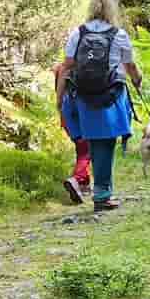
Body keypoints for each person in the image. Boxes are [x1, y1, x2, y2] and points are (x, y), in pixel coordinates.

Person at [57, 0, 142, 212]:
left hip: (84, 94)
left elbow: (67, 65)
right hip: (110, 94)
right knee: (107, 142)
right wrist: (137, 80)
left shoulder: (79, 33)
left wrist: (60, 98)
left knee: (94, 141)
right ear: (112, 9)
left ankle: (101, 191)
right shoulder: (119, 34)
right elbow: (130, 65)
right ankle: (102, 194)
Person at [53, 56, 91, 204]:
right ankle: (77, 179)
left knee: (81, 149)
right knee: (89, 150)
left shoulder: (61, 69)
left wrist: (59, 105)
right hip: (83, 110)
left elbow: (60, 97)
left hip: (67, 113)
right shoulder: (83, 69)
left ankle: (84, 184)